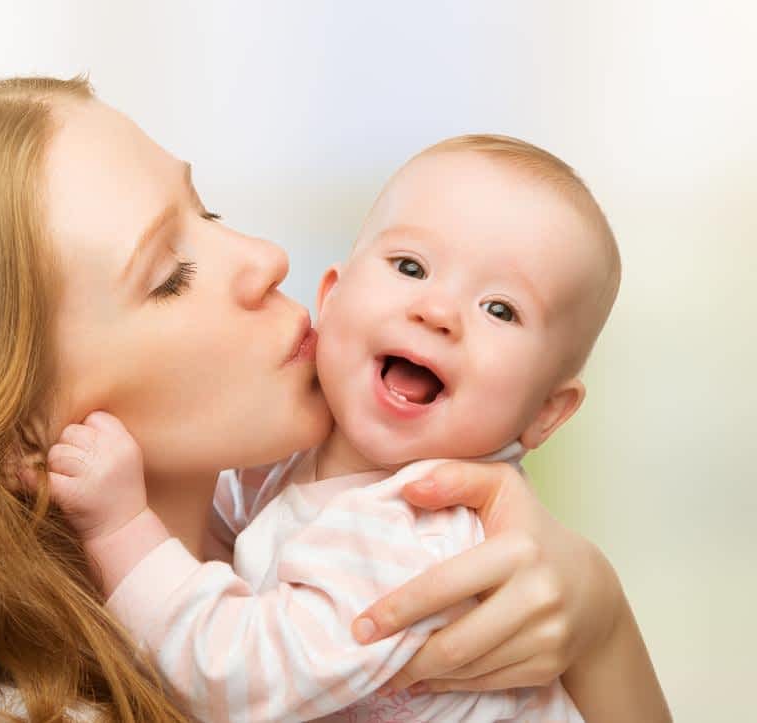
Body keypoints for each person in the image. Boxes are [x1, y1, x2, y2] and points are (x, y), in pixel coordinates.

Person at [0, 76, 668, 722]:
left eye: (208, 209)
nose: (266, 259)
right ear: (24, 435)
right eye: (170, 275)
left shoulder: (264, 513)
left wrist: (600, 622)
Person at [37, 135, 629, 721]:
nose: (438, 312)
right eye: (410, 266)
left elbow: (236, 680)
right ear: (333, 297)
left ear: (547, 411)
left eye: (500, 309)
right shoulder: (293, 465)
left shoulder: (416, 529)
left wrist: (121, 529)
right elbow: (231, 563)